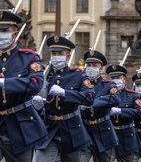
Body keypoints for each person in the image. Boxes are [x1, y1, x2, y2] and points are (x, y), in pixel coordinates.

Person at [34, 36, 95, 162]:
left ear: (68, 56)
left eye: (60, 53)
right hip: (49, 129)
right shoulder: (45, 76)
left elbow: (89, 97)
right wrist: (39, 106)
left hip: (71, 130)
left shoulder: (78, 75)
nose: (56, 56)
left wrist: (65, 93)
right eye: (53, 53)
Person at [0, 10, 47, 162]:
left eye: (4, 31)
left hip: (19, 126)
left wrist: (5, 83)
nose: (1, 34)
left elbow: (36, 83)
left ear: (16, 32)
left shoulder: (28, 57)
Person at [80, 50, 119, 162]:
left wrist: (92, 102)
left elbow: (115, 99)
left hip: (103, 132)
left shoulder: (108, 85)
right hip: (85, 131)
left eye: (94, 65)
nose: (91, 67)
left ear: (101, 68)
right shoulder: (80, 84)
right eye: (89, 65)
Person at [106, 64, 141, 162]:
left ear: (124, 79)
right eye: (113, 77)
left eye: (118, 77)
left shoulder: (133, 95)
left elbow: (140, 112)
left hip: (127, 136)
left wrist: (120, 111)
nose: (115, 80)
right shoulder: (105, 94)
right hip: (110, 134)